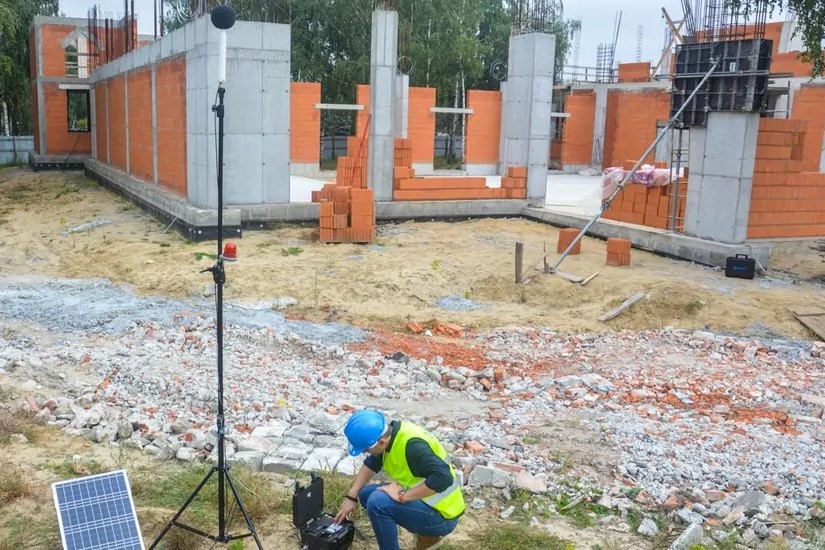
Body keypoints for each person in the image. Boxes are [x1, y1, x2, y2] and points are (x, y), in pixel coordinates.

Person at [334, 410, 465, 550]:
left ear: (381, 442)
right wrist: (351, 497)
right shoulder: (390, 435)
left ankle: (427, 534)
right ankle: (428, 539)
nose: (365, 453)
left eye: (366, 450)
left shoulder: (413, 447)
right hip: (426, 501)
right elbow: (372, 463)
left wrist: (403, 496)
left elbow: (444, 478)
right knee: (365, 494)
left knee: (378, 503)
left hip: (443, 516)